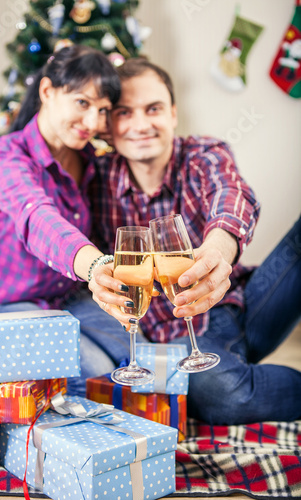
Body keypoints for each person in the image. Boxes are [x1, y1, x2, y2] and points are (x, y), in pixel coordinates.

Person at [88, 57, 301, 424]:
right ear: (108, 126)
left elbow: (232, 194)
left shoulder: (203, 153)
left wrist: (218, 250)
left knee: (218, 391)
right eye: (125, 112)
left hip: (230, 305)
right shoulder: (96, 177)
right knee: (216, 394)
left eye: (153, 108)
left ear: (172, 113)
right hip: (174, 329)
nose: (141, 124)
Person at [0, 46, 145, 396]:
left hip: (66, 298)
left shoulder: (92, 160)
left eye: (102, 111)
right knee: (96, 376)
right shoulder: (7, 156)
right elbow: (37, 217)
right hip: (2, 302)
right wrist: (95, 265)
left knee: (139, 357)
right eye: (82, 103)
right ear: (47, 91)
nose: (93, 123)